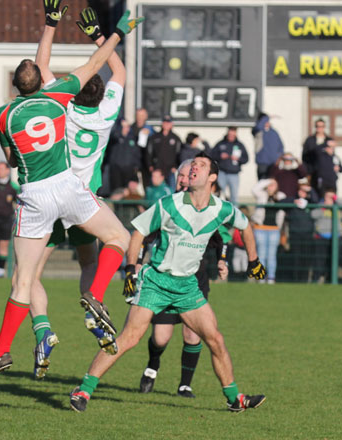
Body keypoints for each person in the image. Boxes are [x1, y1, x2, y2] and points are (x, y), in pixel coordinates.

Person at [0, 0, 143, 382]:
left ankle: (2, 350)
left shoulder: (4, 115)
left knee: (24, 280)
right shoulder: (65, 97)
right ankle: (94, 295)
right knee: (117, 239)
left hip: (35, 196)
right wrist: (114, 33)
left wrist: (49, 23)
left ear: (16, 86)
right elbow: (100, 65)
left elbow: (13, 159)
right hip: (75, 189)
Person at [69, 152, 267, 415]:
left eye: (202, 166)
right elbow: (138, 232)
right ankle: (83, 389)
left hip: (187, 287)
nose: (194, 168)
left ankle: (234, 399)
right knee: (130, 338)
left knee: (216, 339)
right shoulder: (169, 204)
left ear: (212, 178)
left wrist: (254, 261)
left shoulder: (222, 209)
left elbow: (245, 226)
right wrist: (130, 270)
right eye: (193, 164)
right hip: (156, 282)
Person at [28, 5, 130, 378]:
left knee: (30, 275)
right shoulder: (106, 114)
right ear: (103, 95)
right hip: (86, 203)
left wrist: (50, 25)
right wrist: (99, 36)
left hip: (53, 200)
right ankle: (95, 305)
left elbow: (40, 71)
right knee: (90, 262)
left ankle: (43, 329)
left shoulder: (61, 105)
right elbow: (118, 70)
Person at [138, 159, 229, 398]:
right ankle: (152, 365)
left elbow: (222, 237)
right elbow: (145, 235)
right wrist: (137, 260)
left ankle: (185, 384)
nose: (184, 179)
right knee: (160, 337)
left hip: (194, 278)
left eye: (188, 175)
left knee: (193, 333)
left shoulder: (208, 205)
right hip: (163, 278)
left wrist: (222, 259)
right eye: (181, 175)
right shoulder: (168, 205)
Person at [251, 178, 286, 284]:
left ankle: (271, 277)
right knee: (261, 254)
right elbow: (254, 189)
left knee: (271, 255)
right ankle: (261, 277)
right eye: (269, 185)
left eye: (273, 185)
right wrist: (268, 181)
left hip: (274, 229)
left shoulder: (281, 196)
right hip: (261, 228)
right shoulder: (261, 195)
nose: (271, 187)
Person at [284, 182, 317, 283]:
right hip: (295, 234)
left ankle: (304, 279)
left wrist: (310, 190)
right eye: (301, 190)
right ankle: (295, 279)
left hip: (307, 234)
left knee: (306, 258)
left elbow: (316, 200)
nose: (302, 193)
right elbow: (282, 201)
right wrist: (293, 201)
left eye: (305, 191)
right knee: (295, 257)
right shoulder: (293, 201)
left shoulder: (310, 203)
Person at [311, 190, 342, 284]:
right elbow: (313, 214)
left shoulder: (337, 205)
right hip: (322, 236)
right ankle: (316, 279)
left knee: (333, 259)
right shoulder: (320, 205)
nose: (329, 198)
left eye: (331, 196)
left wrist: (335, 199)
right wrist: (323, 208)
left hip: (336, 237)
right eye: (327, 196)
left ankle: (330, 279)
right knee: (319, 260)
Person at [211, 126, 248, 204]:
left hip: (234, 174)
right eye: (230, 134)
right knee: (220, 194)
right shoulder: (221, 143)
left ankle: (234, 214)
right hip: (222, 172)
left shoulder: (240, 145)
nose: (231, 136)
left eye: (233, 135)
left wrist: (238, 159)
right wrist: (220, 156)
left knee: (234, 196)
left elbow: (246, 159)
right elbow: (212, 155)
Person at [146, 115, 181, 192]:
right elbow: (149, 152)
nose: (166, 125)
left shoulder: (175, 138)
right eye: (165, 123)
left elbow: (179, 154)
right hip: (157, 169)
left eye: (168, 123)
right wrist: (150, 165)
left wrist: (175, 166)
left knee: (171, 190)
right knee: (155, 190)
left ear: (171, 124)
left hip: (170, 170)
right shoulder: (154, 137)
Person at [109, 119, 142, 193]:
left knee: (128, 191)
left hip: (129, 170)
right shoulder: (115, 138)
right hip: (116, 170)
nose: (126, 129)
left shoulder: (132, 138)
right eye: (123, 126)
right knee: (117, 191)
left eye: (127, 126)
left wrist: (137, 166)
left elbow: (137, 154)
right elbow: (113, 136)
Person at [252, 113, 284, 180]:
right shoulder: (258, 132)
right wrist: (267, 117)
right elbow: (258, 127)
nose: (267, 122)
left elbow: (281, 146)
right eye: (265, 121)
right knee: (262, 184)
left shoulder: (274, 132)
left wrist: (279, 158)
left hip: (274, 164)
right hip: (262, 163)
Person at [130, 107, 154, 188]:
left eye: (142, 115)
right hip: (133, 160)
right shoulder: (131, 129)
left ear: (146, 117)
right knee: (132, 184)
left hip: (146, 161)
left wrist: (149, 133)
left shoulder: (150, 130)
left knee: (147, 184)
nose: (140, 117)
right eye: (138, 115)